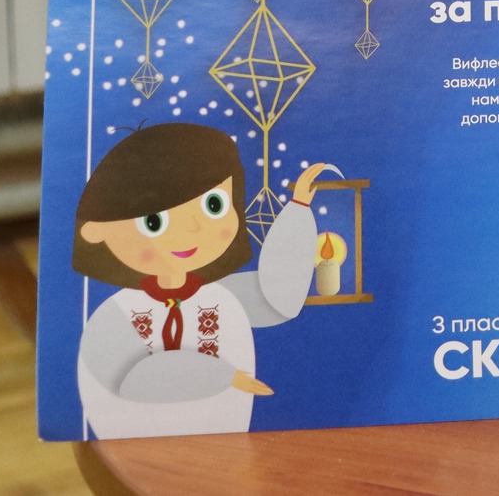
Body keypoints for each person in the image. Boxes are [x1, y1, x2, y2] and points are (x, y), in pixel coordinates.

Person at [72, 123, 328, 437]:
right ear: (96, 230)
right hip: (137, 440)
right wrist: (225, 377)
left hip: (226, 439)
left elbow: (278, 301)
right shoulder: (115, 314)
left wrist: (298, 210)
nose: (193, 229)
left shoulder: (220, 296)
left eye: (214, 205)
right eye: (154, 222)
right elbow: (131, 380)